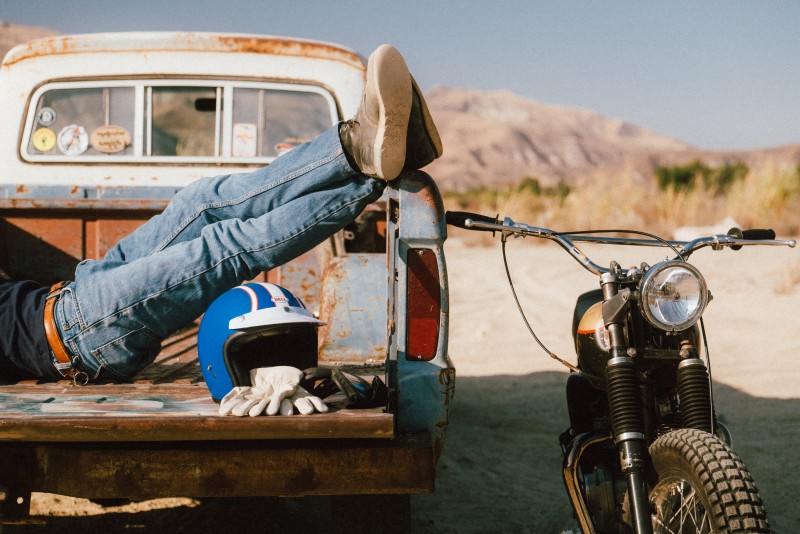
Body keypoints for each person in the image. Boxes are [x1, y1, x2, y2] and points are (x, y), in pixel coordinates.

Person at [0, 44, 442, 385]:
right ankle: (377, 175)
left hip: (78, 289)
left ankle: (352, 147)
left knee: (202, 202)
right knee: (222, 246)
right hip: (79, 336)